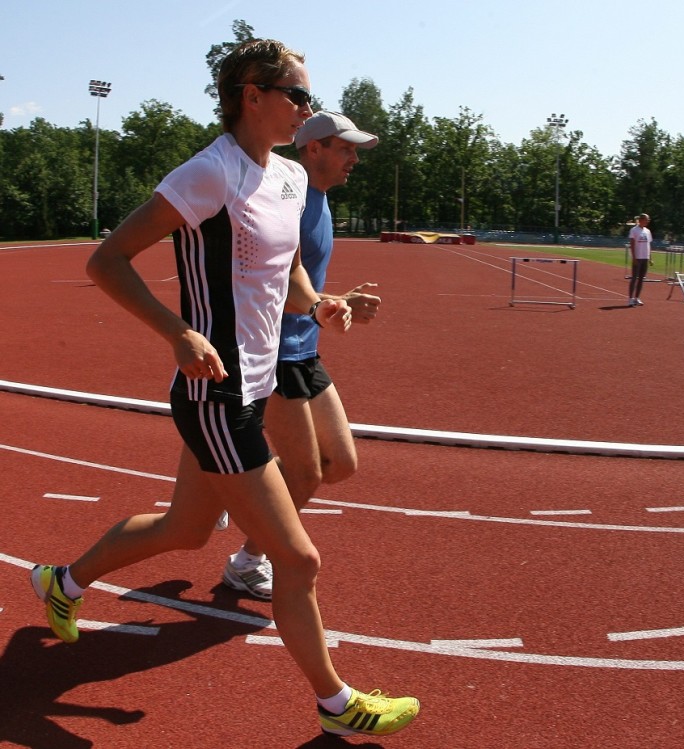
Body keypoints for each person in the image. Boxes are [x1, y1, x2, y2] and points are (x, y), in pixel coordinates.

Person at [29, 39, 419, 738]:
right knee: (299, 558)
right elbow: (106, 259)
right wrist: (177, 333)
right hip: (215, 396)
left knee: (184, 530)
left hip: (254, 388)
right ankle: (339, 707)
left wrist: (325, 304)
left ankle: (64, 581)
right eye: (297, 96)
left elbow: (288, 278)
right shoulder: (210, 173)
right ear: (252, 94)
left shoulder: (293, 180)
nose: (305, 109)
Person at [222, 111, 381, 601]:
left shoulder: (321, 201)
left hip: (305, 349)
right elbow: (259, 279)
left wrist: (333, 302)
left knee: (340, 463)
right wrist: (316, 306)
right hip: (274, 355)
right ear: (313, 149)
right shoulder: (285, 202)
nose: (354, 158)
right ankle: (249, 560)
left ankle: (240, 481)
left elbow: (298, 283)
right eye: (345, 148)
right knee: (308, 471)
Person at [628, 213, 653, 306]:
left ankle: (637, 298)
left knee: (641, 279)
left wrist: (650, 257)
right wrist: (634, 257)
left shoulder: (647, 231)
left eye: (648, 219)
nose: (648, 221)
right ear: (641, 220)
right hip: (637, 257)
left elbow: (649, 245)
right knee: (634, 278)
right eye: (647, 219)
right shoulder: (634, 230)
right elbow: (632, 244)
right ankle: (630, 299)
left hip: (645, 257)